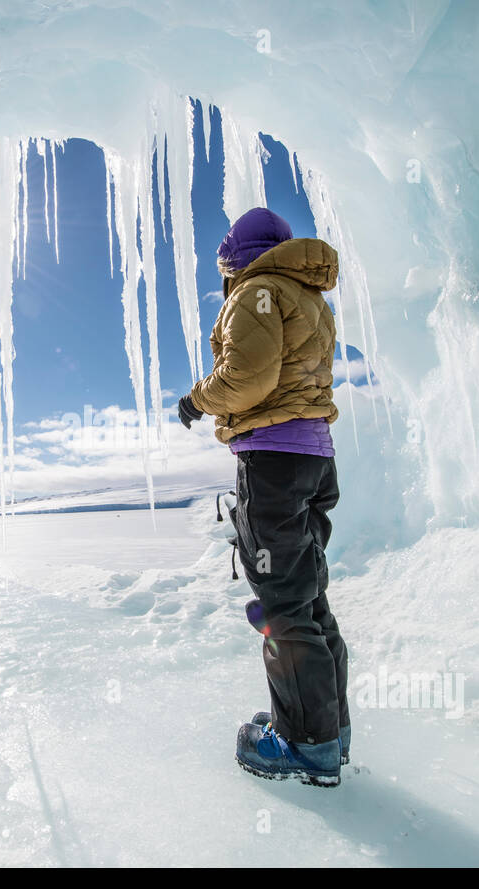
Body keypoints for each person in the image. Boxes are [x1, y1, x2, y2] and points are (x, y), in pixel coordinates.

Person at [177, 206, 350, 787]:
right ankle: (328, 727)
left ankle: (305, 745)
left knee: (281, 605)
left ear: (233, 259)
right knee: (308, 596)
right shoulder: (308, 295)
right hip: (314, 457)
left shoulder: (255, 292)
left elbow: (249, 377)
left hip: (273, 458)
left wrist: (198, 399)